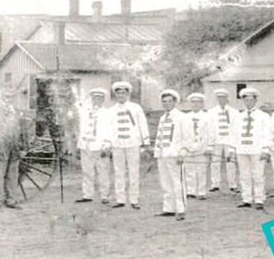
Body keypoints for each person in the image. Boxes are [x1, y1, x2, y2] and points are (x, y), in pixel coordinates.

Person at [105, 80, 147, 209]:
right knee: (119, 172)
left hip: (133, 143)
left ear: (128, 94)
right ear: (115, 95)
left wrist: (145, 141)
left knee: (134, 171)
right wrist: (108, 143)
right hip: (117, 144)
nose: (121, 96)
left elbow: (142, 124)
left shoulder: (136, 107)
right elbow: (108, 128)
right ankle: (120, 199)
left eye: (124, 93)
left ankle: (134, 199)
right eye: (118, 93)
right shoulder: (111, 110)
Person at [152, 89, 189, 220]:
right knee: (165, 182)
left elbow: (187, 137)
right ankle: (168, 208)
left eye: (169, 101)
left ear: (175, 102)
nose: (166, 104)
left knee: (177, 182)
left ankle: (181, 209)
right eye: (164, 101)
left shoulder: (181, 116)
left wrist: (182, 153)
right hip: (163, 154)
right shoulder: (163, 117)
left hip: (175, 154)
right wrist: (157, 151)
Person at [234, 87, 271, 211]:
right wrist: (232, 149)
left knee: (258, 175)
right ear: (243, 101)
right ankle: (246, 199)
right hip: (242, 149)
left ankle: (259, 199)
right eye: (246, 99)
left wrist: (266, 150)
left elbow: (268, 133)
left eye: (251, 99)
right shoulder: (238, 116)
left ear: (256, 100)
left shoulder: (263, 116)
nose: (249, 102)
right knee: (244, 175)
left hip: (257, 150)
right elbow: (233, 133)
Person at [76, 88, 112, 204]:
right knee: (87, 171)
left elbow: (110, 130)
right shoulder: (84, 112)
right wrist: (80, 143)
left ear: (103, 100)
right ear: (91, 99)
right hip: (86, 145)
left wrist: (107, 145)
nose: (97, 101)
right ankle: (87, 195)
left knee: (103, 171)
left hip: (100, 146)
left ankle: (104, 195)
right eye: (95, 98)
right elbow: (81, 128)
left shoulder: (107, 113)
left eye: (100, 98)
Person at [206, 88, 241, 193]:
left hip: (229, 141)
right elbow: (210, 128)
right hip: (216, 141)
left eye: (224, 98)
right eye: (219, 98)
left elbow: (236, 128)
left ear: (227, 98)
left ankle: (233, 185)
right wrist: (210, 144)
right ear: (217, 99)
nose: (221, 100)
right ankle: (215, 184)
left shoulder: (234, 112)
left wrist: (233, 143)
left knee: (231, 163)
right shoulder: (211, 112)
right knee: (215, 163)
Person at [182, 93, 211, 200]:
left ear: (202, 104)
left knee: (201, 170)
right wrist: (184, 146)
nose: (195, 104)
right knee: (189, 170)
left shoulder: (207, 116)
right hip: (188, 146)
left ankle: (201, 192)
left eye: (198, 102)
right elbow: (182, 133)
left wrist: (209, 147)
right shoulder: (185, 117)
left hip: (202, 146)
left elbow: (211, 133)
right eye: (193, 102)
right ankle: (191, 191)